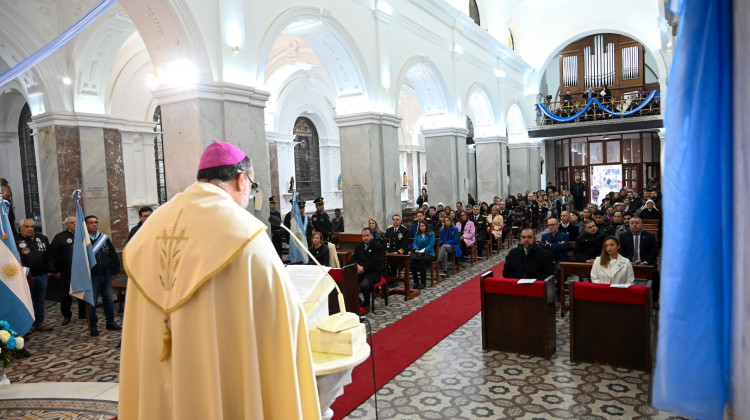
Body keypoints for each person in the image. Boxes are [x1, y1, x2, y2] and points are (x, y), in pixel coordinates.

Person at [119, 141, 321, 419]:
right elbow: (282, 317)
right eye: (252, 185)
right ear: (242, 179)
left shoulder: (150, 228)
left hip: (162, 373)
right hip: (224, 379)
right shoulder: (243, 233)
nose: (250, 194)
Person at [84, 215, 121, 336]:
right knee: (92, 302)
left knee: (109, 299)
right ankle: (93, 326)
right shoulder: (83, 241)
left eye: (96, 222)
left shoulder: (104, 239)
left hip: (106, 275)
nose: (94, 224)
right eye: (91, 223)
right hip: (92, 276)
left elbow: (113, 255)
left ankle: (110, 322)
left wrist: (114, 271)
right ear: (86, 225)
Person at [16, 218, 55, 332]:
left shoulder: (42, 238)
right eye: (27, 226)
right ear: (20, 228)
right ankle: (29, 325)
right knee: (27, 302)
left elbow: (50, 255)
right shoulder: (15, 240)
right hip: (25, 278)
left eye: (32, 226)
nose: (30, 229)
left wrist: (50, 270)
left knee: (40, 300)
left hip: (41, 275)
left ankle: (39, 322)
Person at [50, 216, 87, 325]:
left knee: (81, 292)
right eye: (72, 222)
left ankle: (83, 313)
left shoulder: (84, 235)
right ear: (66, 225)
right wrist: (54, 270)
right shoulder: (59, 237)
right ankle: (66, 315)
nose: (75, 224)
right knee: (65, 294)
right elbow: (53, 254)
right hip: (65, 270)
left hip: (80, 270)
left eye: (76, 222)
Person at [352, 228, 385, 313]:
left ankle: (367, 304)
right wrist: (357, 266)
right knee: (348, 282)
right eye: (363, 236)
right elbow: (353, 259)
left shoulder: (378, 246)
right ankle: (358, 302)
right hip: (360, 271)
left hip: (373, 273)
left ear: (372, 236)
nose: (365, 238)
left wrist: (363, 268)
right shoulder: (359, 246)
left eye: (367, 236)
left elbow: (375, 262)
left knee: (364, 285)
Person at [410, 220, 435, 290]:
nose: (421, 228)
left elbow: (431, 245)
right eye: (420, 226)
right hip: (419, 254)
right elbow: (415, 244)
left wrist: (423, 251)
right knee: (412, 262)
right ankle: (416, 281)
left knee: (422, 262)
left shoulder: (431, 234)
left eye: (423, 226)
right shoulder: (417, 234)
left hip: (429, 254)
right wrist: (416, 249)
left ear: (426, 226)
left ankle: (423, 282)